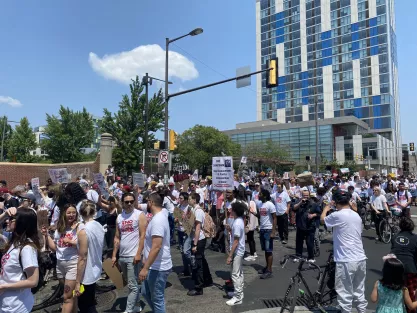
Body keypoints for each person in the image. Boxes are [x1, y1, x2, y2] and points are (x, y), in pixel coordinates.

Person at [321, 190, 367, 313]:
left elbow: (322, 220)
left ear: (335, 202)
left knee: (344, 294)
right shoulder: (355, 215)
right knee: (359, 291)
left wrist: (326, 208)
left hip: (346, 259)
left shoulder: (338, 215)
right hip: (360, 257)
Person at [41, 203, 83, 313]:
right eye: (69, 212)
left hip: (73, 263)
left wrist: (71, 242)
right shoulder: (59, 229)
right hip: (60, 264)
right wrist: (46, 235)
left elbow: (84, 245)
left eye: (74, 212)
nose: (71, 215)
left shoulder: (79, 227)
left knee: (66, 297)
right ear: (64, 214)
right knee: (72, 296)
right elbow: (55, 248)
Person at [0, 208, 40, 313]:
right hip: (7, 303)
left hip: (16, 306)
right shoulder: (15, 241)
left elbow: (33, 281)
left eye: (11, 219)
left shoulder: (27, 248)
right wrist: (4, 214)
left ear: (21, 223)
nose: (7, 221)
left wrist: (4, 286)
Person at [112, 193, 147, 313]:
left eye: (131, 201)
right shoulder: (120, 217)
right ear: (122, 202)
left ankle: (128, 310)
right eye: (126, 202)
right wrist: (113, 255)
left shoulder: (139, 215)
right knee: (130, 283)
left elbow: (143, 236)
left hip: (133, 255)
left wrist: (138, 253)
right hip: (122, 255)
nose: (129, 204)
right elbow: (117, 237)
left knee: (132, 285)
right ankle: (136, 305)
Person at [139, 192, 172, 313]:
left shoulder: (158, 220)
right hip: (153, 265)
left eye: (147, 201)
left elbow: (156, 247)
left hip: (158, 267)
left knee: (157, 299)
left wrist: (145, 268)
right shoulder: (160, 214)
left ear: (151, 203)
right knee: (145, 292)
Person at [74, 200, 105, 313]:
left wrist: (77, 282)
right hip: (96, 267)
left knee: (86, 307)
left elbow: (83, 257)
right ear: (94, 212)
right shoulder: (99, 226)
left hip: (86, 273)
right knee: (90, 303)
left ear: (80, 213)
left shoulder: (84, 231)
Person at [187, 192, 213, 296]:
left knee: (198, 263)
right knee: (201, 260)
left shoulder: (198, 211)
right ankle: (207, 280)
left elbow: (198, 229)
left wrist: (195, 244)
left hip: (199, 239)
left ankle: (199, 287)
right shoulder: (193, 210)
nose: (188, 200)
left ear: (194, 200)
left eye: (189, 198)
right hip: (197, 238)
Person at [391, 218, 417, 313]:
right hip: (410, 268)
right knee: (410, 294)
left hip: (394, 267)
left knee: (394, 292)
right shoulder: (415, 238)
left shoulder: (395, 237)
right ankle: (410, 310)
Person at [225, 201, 246, 306]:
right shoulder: (238, 221)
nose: (230, 210)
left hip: (237, 251)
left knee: (235, 274)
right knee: (239, 273)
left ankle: (237, 297)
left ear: (235, 211)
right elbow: (236, 236)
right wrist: (230, 230)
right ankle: (239, 293)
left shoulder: (237, 223)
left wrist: (230, 255)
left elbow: (236, 241)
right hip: (239, 250)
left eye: (231, 209)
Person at [253, 189, 276, 279]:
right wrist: (254, 213)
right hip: (262, 230)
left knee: (269, 251)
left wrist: (273, 231)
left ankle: (269, 271)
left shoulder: (270, 205)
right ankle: (267, 267)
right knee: (265, 251)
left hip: (268, 230)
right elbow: (261, 215)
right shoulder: (260, 204)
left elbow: (274, 218)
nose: (258, 195)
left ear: (265, 196)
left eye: (260, 194)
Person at [293, 190, 321, 262]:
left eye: (307, 195)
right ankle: (298, 256)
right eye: (304, 195)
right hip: (300, 226)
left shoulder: (313, 204)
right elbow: (293, 208)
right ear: (302, 195)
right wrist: (300, 203)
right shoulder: (298, 202)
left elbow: (319, 213)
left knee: (310, 243)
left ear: (309, 195)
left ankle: (311, 257)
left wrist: (313, 215)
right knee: (299, 242)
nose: (306, 197)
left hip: (310, 227)